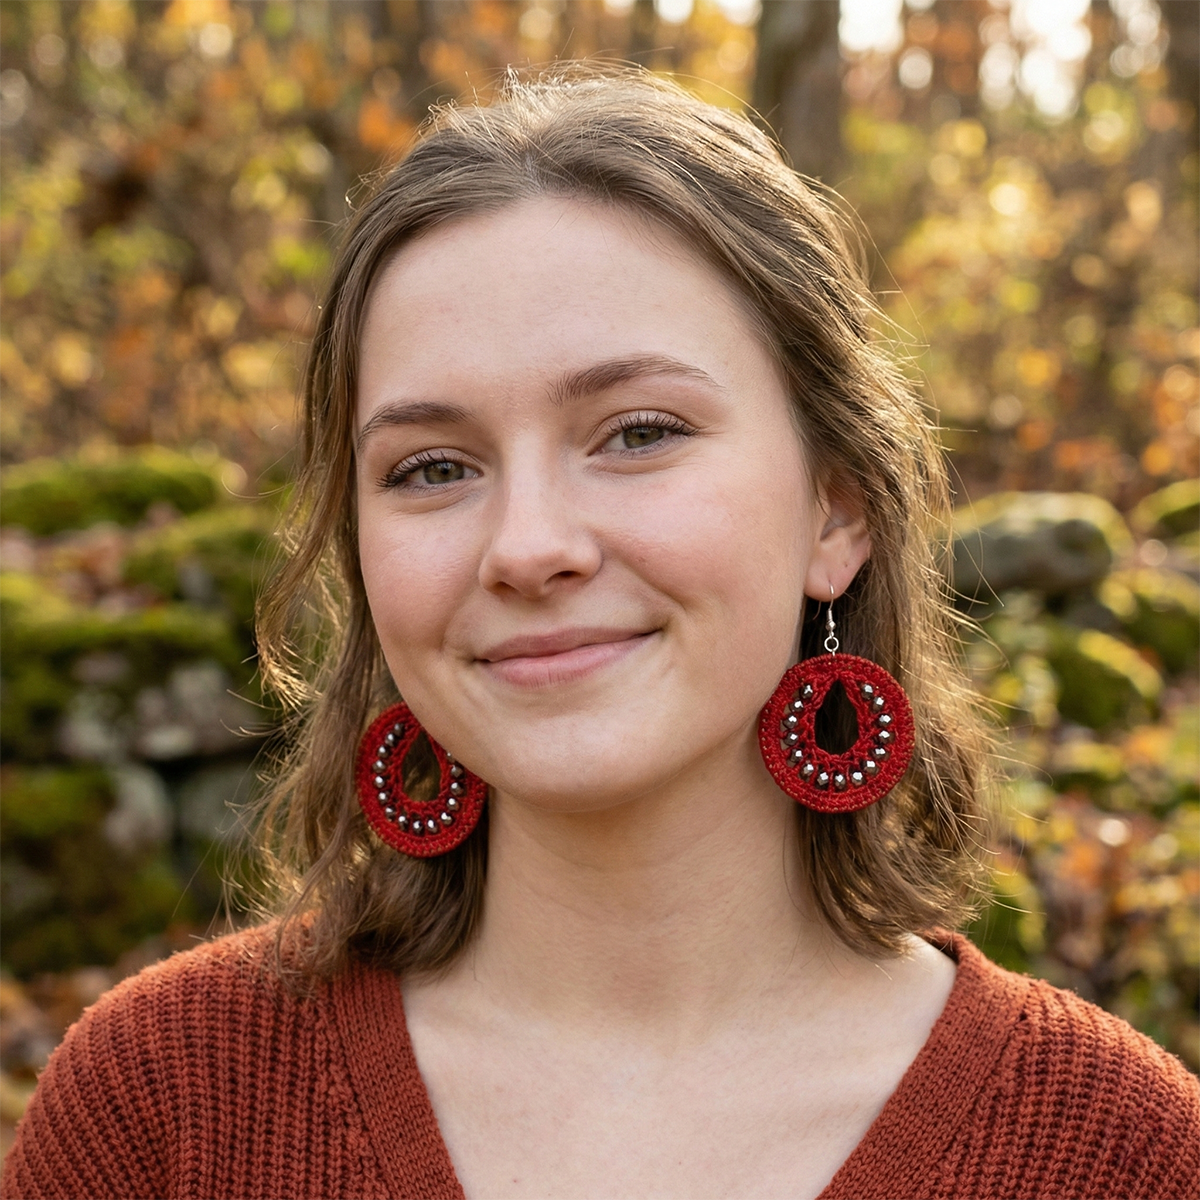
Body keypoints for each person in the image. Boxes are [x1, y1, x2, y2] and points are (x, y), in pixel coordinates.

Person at [5, 67, 1199, 1200]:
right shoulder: (164, 1111)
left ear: (837, 507)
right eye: (431, 466)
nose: (527, 546)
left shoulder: (1122, 1155)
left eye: (637, 433)